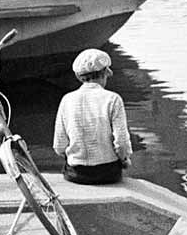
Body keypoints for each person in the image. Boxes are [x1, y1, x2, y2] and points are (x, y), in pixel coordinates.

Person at [53, 48, 133, 185]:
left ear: (79, 76)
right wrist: (125, 160)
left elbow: (59, 146)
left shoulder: (67, 100)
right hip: (108, 173)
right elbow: (122, 143)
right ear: (106, 73)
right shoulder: (113, 99)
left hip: (75, 174)